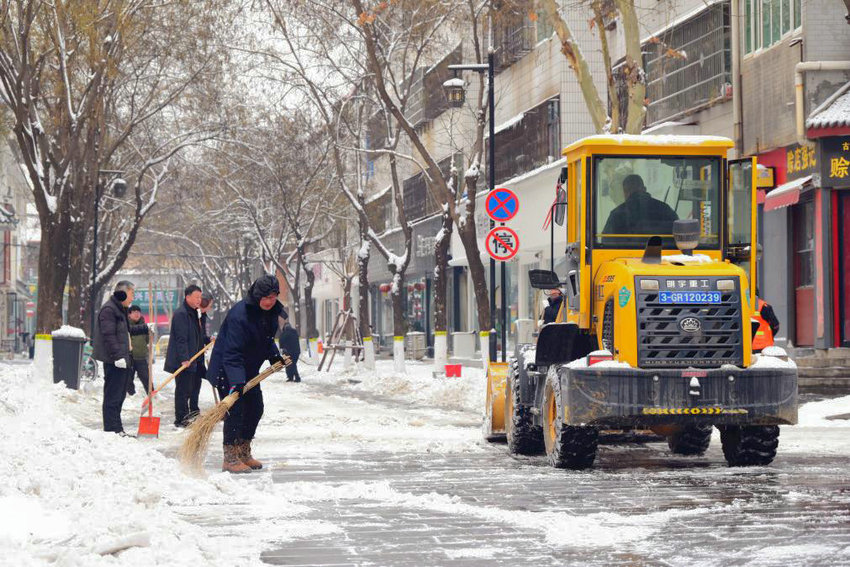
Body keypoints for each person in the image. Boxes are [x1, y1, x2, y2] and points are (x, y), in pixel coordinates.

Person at [206, 275, 288, 473]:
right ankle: (230, 457)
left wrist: (275, 357)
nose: (270, 301)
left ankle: (243, 451)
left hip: (248, 370)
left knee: (256, 408)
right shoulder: (239, 315)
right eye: (266, 297)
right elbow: (231, 352)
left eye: (273, 296)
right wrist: (237, 381)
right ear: (258, 296)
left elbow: (266, 339)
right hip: (228, 369)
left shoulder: (270, 313)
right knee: (236, 411)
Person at [93, 280, 135, 435]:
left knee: (119, 395)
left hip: (123, 359)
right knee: (113, 395)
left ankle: (117, 428)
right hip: (115, 361)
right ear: (122, 293)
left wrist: (144, 328)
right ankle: (112, 430)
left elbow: (124, 333)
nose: (133, 297)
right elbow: (108, 335)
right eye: (132, 293)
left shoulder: (120, 309)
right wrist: (118, 356)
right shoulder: (109, 310)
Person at [165, 284, 206, 427]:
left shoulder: (194, 312)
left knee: (191, 388)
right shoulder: (181, 314)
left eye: (200, 297)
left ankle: (187, 415)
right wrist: (184, 358)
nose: (199, 300)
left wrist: (206, 341)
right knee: (182, 390)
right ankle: (180, 419)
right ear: (187, 297)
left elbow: (196, 335)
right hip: (183, 360)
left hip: (193, 359)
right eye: (196, 297)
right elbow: (180, 338)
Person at [602, 174, 679, 237]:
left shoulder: (616, 214)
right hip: (660, 254)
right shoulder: (664, 209)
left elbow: (606, 240)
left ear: (625, 192)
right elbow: (678, 235)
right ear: (644, 189)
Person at [126, 305, 152, 396]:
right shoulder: (127, 326)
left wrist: (150, 333)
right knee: (128, 379)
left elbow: (148, 340)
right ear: (129, 314)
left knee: (146, 378)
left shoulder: (145, 326)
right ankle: (131, 396)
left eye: (138, 312)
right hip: (130, 357)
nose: (137, 314)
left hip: (141, 357)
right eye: (134, 312)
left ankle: (152, 395)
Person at [279, 317, 301, 383]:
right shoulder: (295, 333)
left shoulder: (284, 334)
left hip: (287, 352)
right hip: (296, 352)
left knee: (289, 365)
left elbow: (281, 343)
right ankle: (292, 377)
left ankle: (295, 377)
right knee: (293, 364)